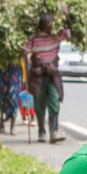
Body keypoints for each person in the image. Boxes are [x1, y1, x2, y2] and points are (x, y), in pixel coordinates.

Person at [25, 10, 72, 143]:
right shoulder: (34, 38)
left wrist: (66, 14)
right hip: (38, 75)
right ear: (41, 25)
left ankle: (54, 132)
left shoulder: (56, 36)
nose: (51, 26)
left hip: (52, 74)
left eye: (52, 24)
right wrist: (23, 50)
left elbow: (70, 33)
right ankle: (41, 131)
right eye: (48, 24)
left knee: (54, 100)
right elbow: (27, 49)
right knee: (39, 103)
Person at [0, 55, 25, 135]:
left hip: (15, 69)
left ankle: (12, 126)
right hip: (2, 68)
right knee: (1, 96)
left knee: (13, 97)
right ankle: (1, 119)